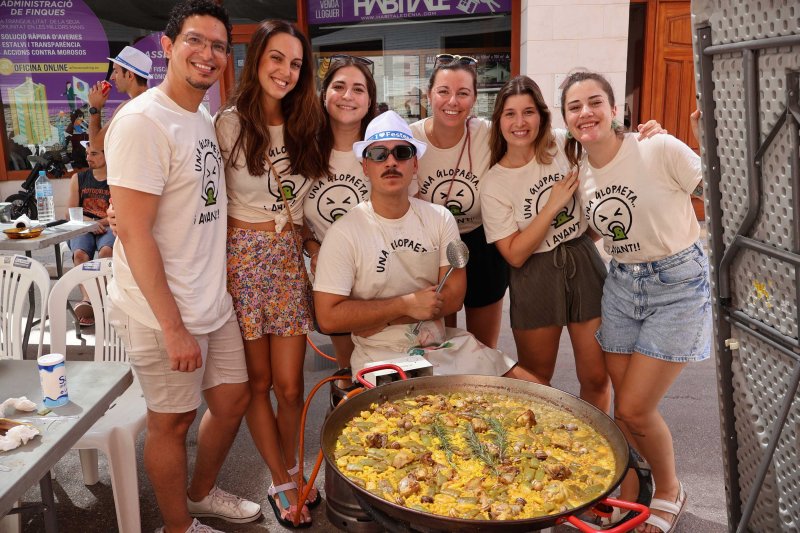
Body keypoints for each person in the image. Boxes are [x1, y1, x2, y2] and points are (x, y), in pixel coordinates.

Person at [105, 2, 261, 532]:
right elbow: (135, 231)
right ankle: (179, 527)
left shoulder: (200, 118)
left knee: (233, 399)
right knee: (172, 423)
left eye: (218, 46)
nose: (208, 54)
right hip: (161, 310)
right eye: (196, 40)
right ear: (168, 46)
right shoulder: (143, 121)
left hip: (211, 299)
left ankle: (199, 495)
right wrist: (172, 327)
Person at [561, 71, 709, 533]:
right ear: (566, 119)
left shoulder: (656, 147)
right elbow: (600, 227)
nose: (585, 112)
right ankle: (631, 491)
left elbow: (718, 190)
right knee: (624, 407)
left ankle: (669, 490)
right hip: (623, 285)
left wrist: (708, 137)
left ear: (614, 109)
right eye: (574, 106)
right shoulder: (582, 172)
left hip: (677, 283)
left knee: (634, 408)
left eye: (595, 102)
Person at [480, 76, 664, 412]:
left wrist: (648, 138)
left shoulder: (563, 144)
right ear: (499, 121)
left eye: (528, 112)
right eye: (510, 114)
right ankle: (548, 442)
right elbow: (514, 255)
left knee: (595, 377)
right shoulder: (495, 182)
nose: (520, 122)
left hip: (583, 263)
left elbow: (611, 146)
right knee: (537, 381)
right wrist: (551, 207)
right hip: (533, 276)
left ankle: (596, 441)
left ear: (542, 115)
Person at [314, 110, 540, 383]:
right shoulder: (344, 233)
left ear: (415, 164)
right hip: (380, 357)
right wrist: (406, 305)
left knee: (536, 387)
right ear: (365, 166)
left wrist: (384, 318)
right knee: (424, 408)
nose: (391, 162)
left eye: (402, 153)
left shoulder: (440, 218)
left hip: (443, 347)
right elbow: (328, 317)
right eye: (378, 154)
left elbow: (454, 296)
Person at [214, 19, 327, 528]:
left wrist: (312, 246)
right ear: (256, 59)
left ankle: (296, 467)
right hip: (242, 260)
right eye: (276, 58)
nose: (285, 71)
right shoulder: (228, 124)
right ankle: (280, 479)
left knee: (290, 385)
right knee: (258, 382)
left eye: (296, 64)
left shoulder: (308, 123)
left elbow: (304, 208)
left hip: (286, 260)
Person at [410, 54, 508, 348]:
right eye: (443, 91)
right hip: (431, 245)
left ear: (474, 99)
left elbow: (540, 137)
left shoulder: (489, 134)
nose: (452, 101)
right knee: (439, 346)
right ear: (429, 95)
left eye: (463, 93)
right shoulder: (411, 139)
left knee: (483, 348)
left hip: (481, 241)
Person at [303, 54, 376, 383]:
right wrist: (315, 249)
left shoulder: (382, 148)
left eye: (358, 89)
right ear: (324, 95)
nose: (348, 96)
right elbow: (291, 214)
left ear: (369, 100)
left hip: (381, 280)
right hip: (334, 284)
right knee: (350, 373)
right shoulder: (304, 151)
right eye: (339, 87)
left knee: (387, 368)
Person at [67, 140, 114, 327]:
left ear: (107, 154)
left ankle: (101, 299)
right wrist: (90, 224)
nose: (88, 158)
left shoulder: (117, 179)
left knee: (106, 252)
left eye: (94, 153)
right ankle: (88, 300)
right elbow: (70, 212)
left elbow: (121, 211)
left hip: (108, 225)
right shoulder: (78, 178)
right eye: (87, 154)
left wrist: (98, 223)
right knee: (80, 254)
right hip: (84, 225)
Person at [87, 46, 152, 149]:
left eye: (116, 71)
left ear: (130, 75)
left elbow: (96, 145)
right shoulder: (155, 102)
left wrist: (95, 107)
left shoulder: (128, 107)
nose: (112, 77)